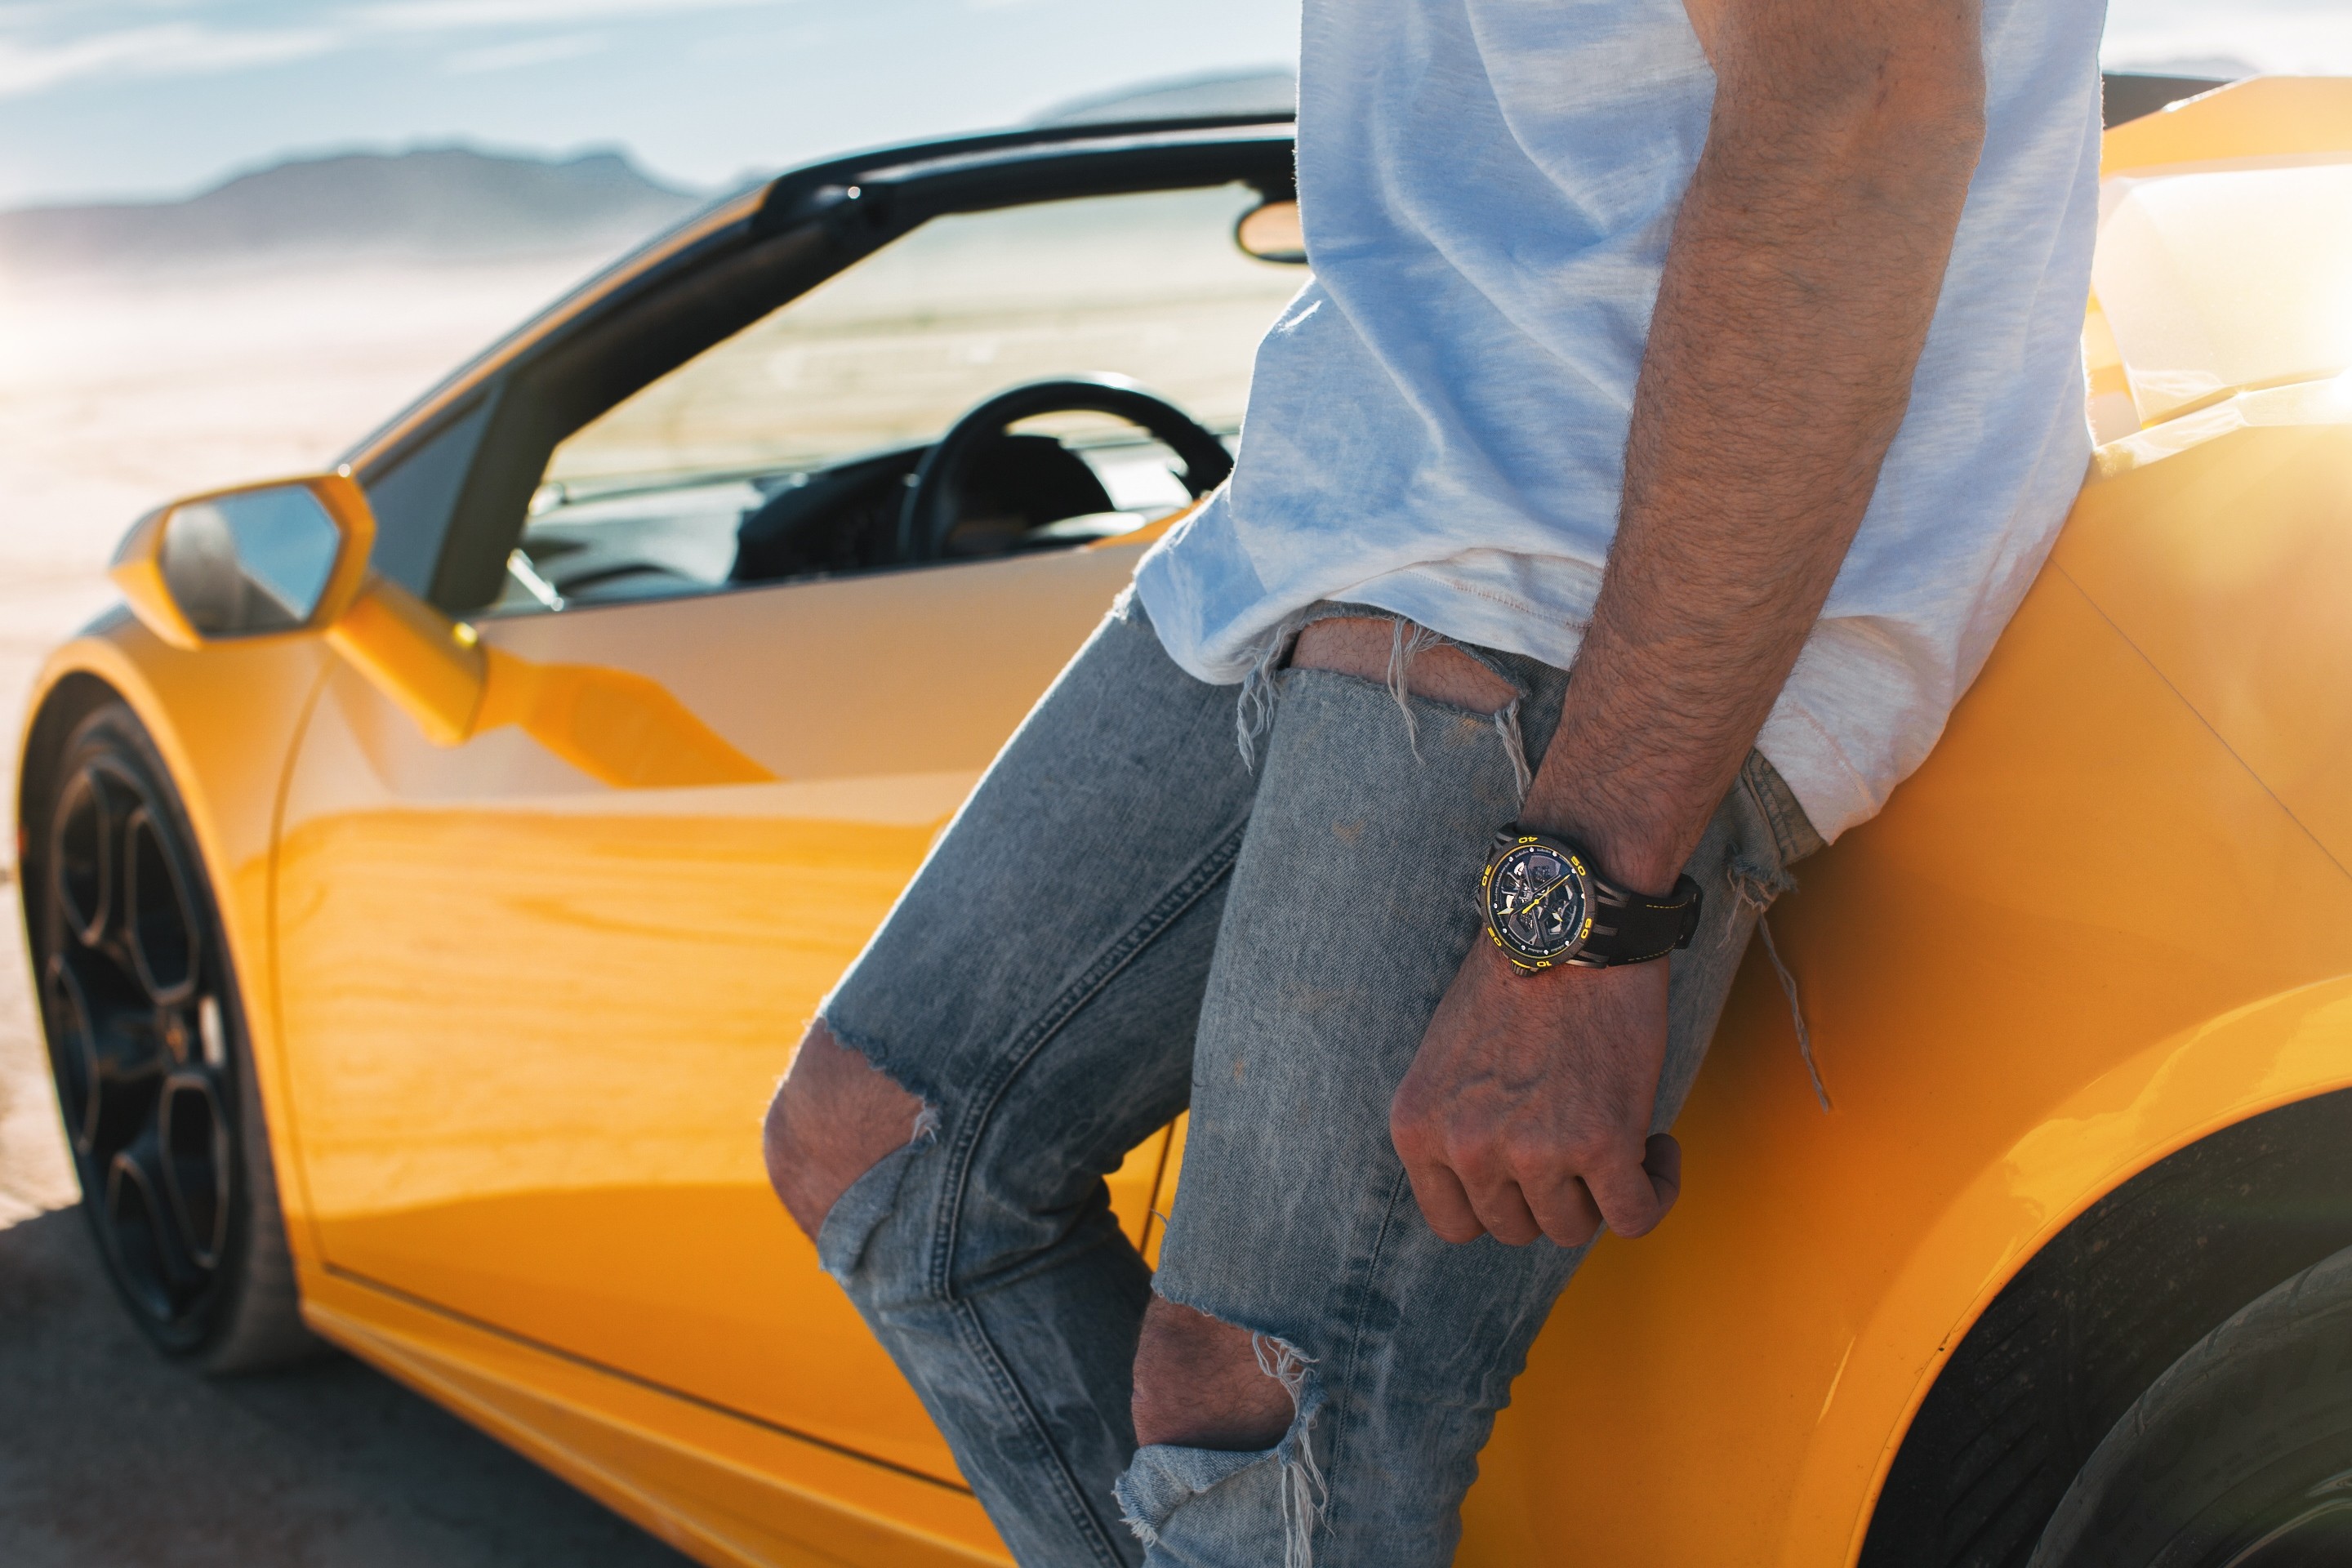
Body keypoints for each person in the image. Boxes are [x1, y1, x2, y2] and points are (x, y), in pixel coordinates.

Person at [764, 0, 2106, 1561]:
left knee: (1250, 1415)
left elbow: (1860, 99)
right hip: (1333, 509)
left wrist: (1581, 917)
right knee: (881, 1148)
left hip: (1572, 581)